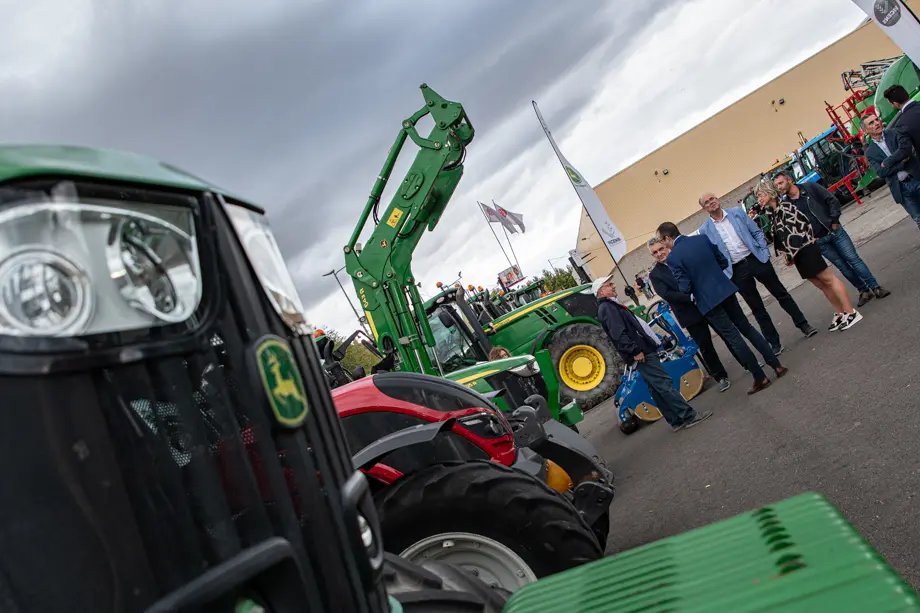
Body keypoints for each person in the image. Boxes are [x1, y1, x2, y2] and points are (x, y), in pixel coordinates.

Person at [657, 222, 787, 395]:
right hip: (725, 289)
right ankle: (776, 365)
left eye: (661, 241)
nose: (663, 245)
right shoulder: (701, 239)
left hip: (708, 301)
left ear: (667, 238)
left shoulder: (673, 258)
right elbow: (723, 261)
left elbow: (685, 287)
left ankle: (760, 377)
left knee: (733, 337)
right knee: (747, 328)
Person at [696, 191, 817, 355]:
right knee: (757, 307)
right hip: (737, 270)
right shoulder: (705, 230)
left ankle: (804, 325)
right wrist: (725, 271)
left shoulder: (737, 213)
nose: (711, 202)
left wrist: (764, 253)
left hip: (756, 259)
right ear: (704, 208)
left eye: (712, 198)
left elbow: (756, 232)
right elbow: (712, 254)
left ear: (717, 199)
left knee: (781, 293)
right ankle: (774, 343)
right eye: (706, 202)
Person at [593, 274, 712, 432]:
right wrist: (635, 351)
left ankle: (675, 421)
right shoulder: (608, 308)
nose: (613, 286)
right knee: (664, 384)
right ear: (601, 291)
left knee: (655, 389)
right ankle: (689, 416)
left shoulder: (609, 306)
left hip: (641, 351)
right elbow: (619, 334)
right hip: (641, 352)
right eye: (609, 285)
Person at [756, 180, 862, 331]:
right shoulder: (772, 213)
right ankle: (841, 312)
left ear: (769, 192)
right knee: (821, 285)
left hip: (807, 248)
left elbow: (800, 229)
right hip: (797, 254)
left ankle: (851, 312)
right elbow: (781, 236)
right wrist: (787, 254)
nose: (759, 199)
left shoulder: (786, 206)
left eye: (760, 195)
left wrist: (791, 252)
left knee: (829, 279)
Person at [773, 171, 890, 307]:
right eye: (777, 185)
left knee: (853, 259)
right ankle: (863, 290)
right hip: (819, 242)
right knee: (843, 267)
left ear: (790, 180)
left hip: (835, 232)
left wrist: (834, 221)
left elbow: (831, 200)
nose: (779, 187)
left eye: (781, 183)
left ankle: (875, 287)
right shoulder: (786, 204)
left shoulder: (810, 188)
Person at [647, 236, 732, 392]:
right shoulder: (655, 275)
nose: (659, 254)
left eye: (661, 249)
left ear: (666, 246)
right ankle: (720, 376)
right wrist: (689, 297)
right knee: (706, 346)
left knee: (727, 335)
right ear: (652, 255)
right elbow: (667, 294)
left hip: (708, 303)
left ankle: (747, 363)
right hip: (689, 314)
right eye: (655, 252)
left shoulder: (680, 257)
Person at [863, 110, 920, 231]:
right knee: (918, 218)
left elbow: (907, 152)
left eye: (876, 120)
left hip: (916, 178)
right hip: (901, 189)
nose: (876, 123)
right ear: (866, 130)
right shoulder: (870, 152)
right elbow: (881, 172)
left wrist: (888, 163)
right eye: (871, 123)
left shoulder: (895, 133)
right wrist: (901, 163)